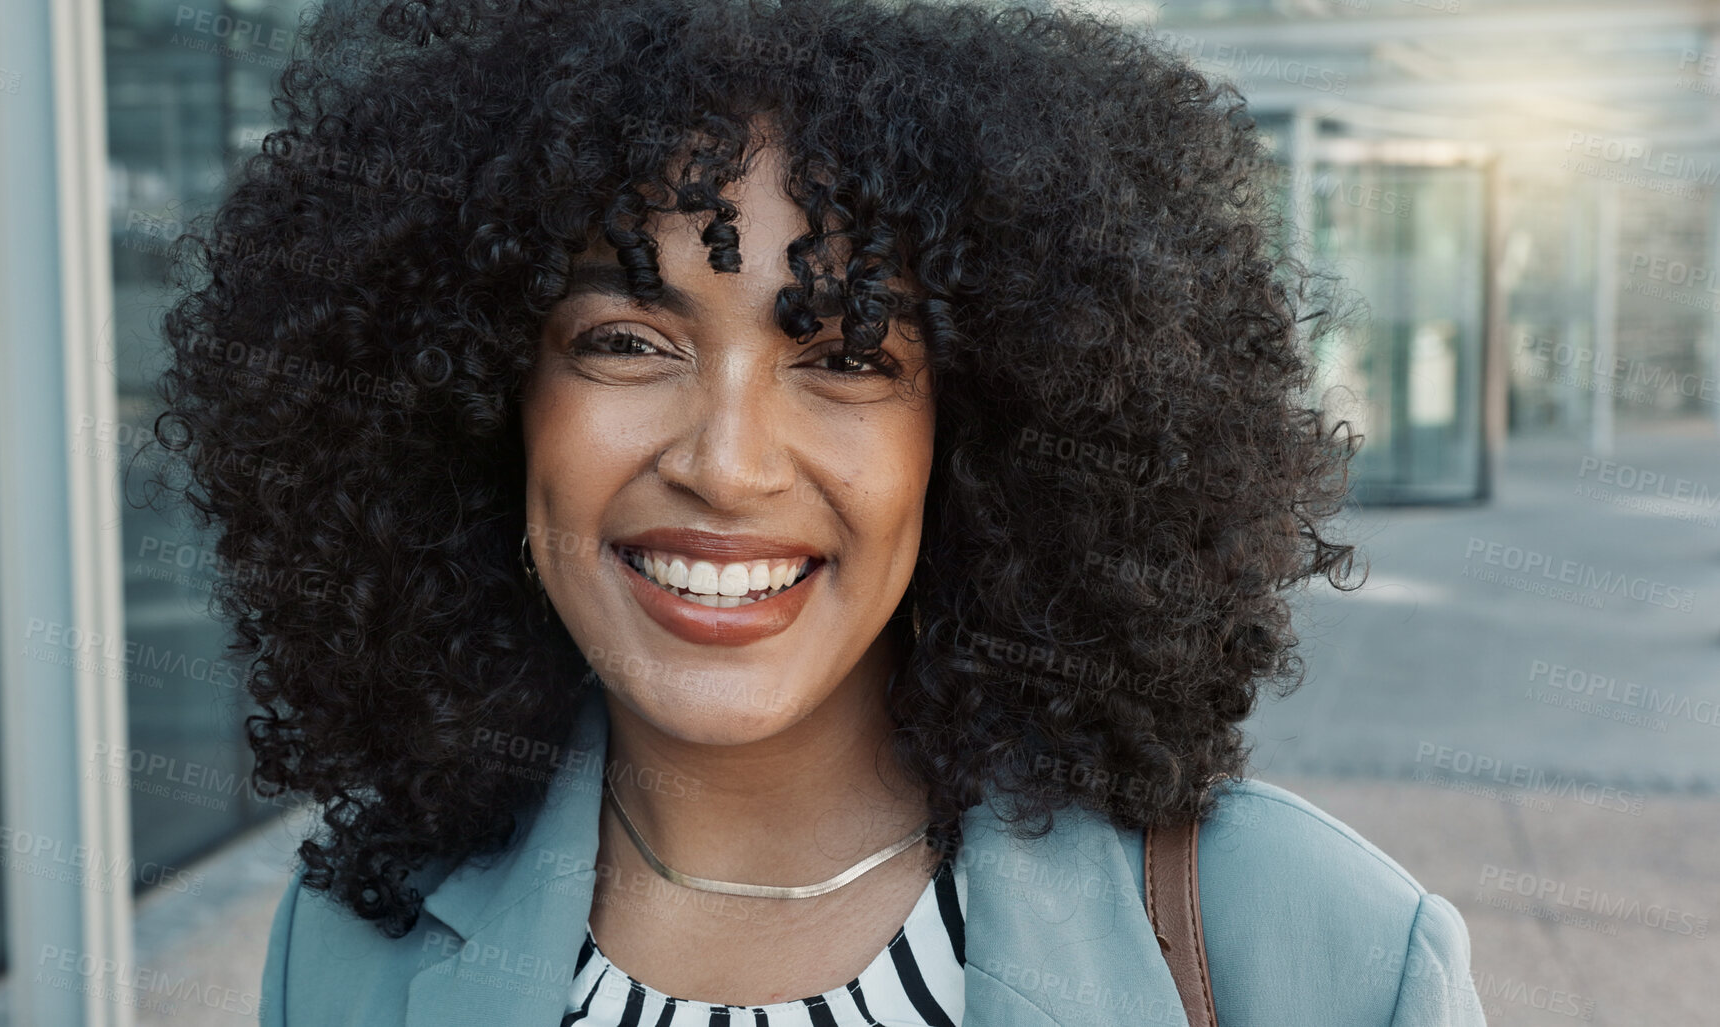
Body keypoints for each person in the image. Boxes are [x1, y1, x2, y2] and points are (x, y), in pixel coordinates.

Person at [152, 0, 1485, 1023]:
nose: (729, 465)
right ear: (483, 398)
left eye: (847, 354)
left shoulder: (1311, 945)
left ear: (980, 432)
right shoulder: (349, 948)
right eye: (626, 340)